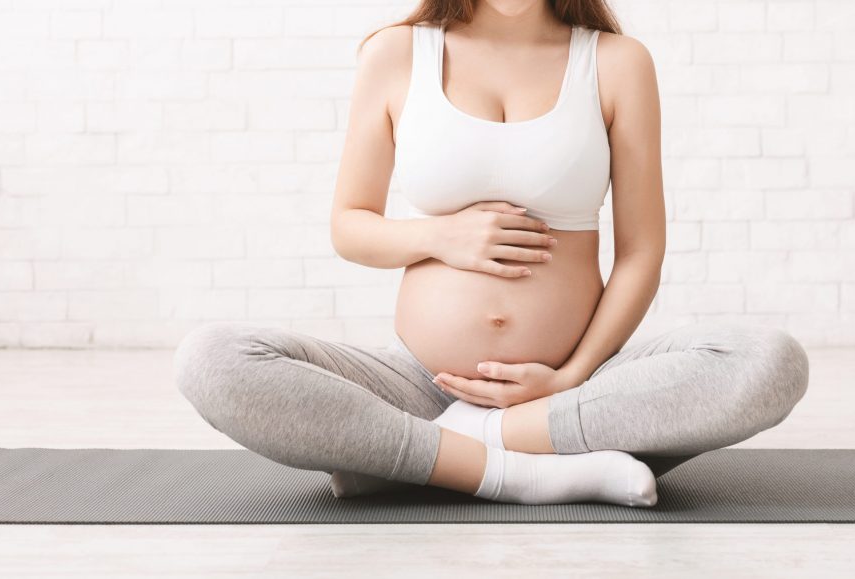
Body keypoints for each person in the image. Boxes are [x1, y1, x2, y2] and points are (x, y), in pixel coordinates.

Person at [174, 0, 810, 508]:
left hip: (571, 388)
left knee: (768, 362)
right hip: (421, 382)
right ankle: (520, 469)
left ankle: (435, 455)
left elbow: (642, 251)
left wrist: (572, 377)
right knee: (213, 359)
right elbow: (350, 225)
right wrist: (438, 236)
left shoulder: (617, 63)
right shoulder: (397, 53)